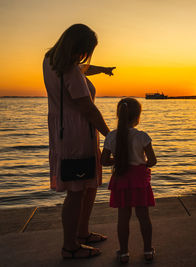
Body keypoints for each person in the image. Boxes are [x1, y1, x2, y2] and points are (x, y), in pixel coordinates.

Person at [43, 24, 115, 259]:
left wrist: (102, 69)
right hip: (77, 135)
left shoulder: (51, 61)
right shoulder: (71, 72)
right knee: (76, 191)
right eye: (86, 50)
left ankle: (82, 233)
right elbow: (88, 109)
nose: (86, 56)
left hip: (65, 131)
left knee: (89, 184)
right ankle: (70, 246)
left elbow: (82, 67)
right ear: (78, 47)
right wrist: (111, 136)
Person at [101, 98, 157, 264]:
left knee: (123, 218)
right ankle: (147, 250)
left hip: (121, 179)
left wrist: (118, 161)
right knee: (143, 217)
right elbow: (153, 161)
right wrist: (142, 164)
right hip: (139, 180)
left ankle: (124, 253)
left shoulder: (111, 136)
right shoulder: (142, 136)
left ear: (119, 115)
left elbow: (103, 161)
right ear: (137, 117)